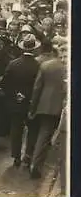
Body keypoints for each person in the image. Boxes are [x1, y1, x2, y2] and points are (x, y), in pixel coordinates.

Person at [27, 43, 67, 179]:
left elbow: (36, 89)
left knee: (43, 135)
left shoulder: (45, 66)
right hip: (59, 107)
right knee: (53, 137)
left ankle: (35, 164)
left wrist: (32, 109)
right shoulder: (65, 68)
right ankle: (41, 165)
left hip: (44, 106)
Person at [1, 33, 41, 168]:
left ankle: (16, 156)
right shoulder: (38, 66)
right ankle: (28, 155)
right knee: (32, 129)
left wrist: (15, 94)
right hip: (31, 103)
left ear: (22, 48)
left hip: (15, 102)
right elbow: (38, 86)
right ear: (34, 49)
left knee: (16, 129)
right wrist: (28, 96)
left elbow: (5, 83)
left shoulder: (13, 64)